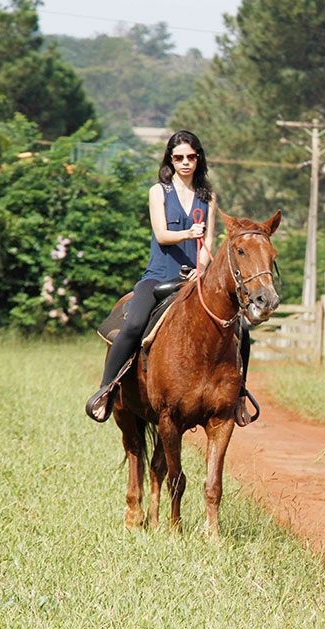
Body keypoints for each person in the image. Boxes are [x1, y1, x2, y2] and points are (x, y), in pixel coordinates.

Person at [85, 129, 251, 423]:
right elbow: (161, 235)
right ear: (170, 160)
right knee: (134, 324)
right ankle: (106, 389)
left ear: (198, 158)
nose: (185, 162)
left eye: (190, 156)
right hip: (159, 276)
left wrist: (200, 271)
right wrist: (188, 233)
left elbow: (208, 243)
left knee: (243, 329)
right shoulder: (158, 192)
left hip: (194, 279)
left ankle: (239, 397)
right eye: (178, 157)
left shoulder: (207, 196)